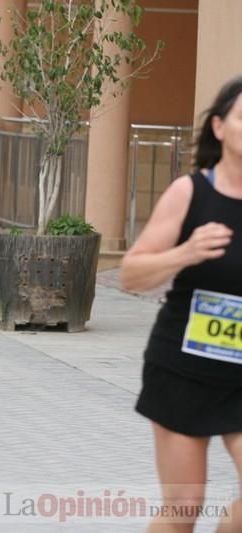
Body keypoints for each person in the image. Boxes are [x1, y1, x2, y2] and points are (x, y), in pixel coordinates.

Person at [119, 76, 242, 533]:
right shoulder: (191, 192)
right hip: (184, 369)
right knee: (183, 510)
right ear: (219, 127)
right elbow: (132, 274)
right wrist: (186, 253)